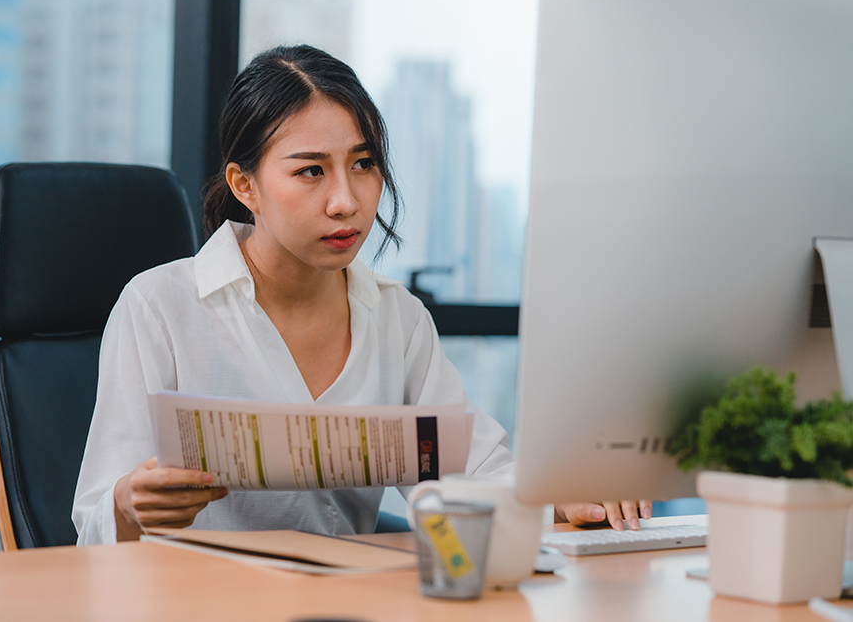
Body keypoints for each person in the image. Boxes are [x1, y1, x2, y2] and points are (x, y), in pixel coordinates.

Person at [72, 45, 646, 545]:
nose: (346, 201)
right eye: (311, 172)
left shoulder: (397, 318)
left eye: (363, 164)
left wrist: (562, 496)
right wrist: (128, 503)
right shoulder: (160, 307)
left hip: (348, 605)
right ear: (245, 185)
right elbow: (93, 526)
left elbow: (472, 472)